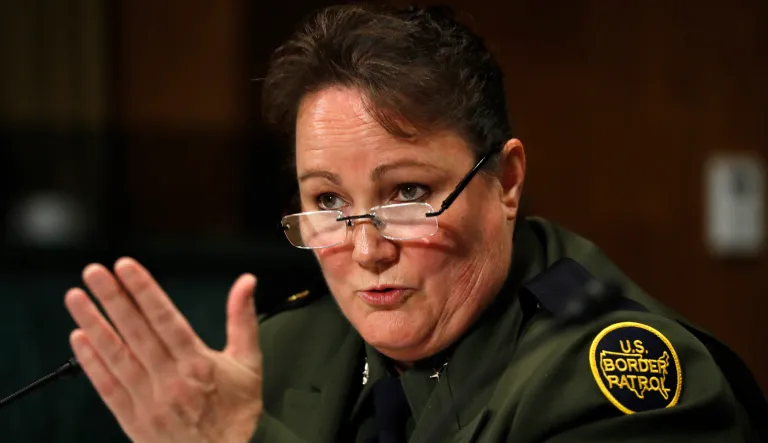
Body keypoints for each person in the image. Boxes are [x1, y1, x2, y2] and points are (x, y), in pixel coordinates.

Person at [63, 4, 767, 442]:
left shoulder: (623, 387)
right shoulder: (281, 350)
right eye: (330, 203)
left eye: (406, 191)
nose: (366, 249)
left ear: (507, 180)